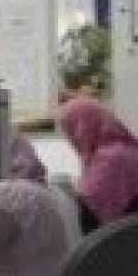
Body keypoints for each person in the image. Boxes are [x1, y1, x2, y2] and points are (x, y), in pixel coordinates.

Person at [57, 94, 138, 232]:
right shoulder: (121, 148)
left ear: (83, 128)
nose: (72, 141)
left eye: (71, 130)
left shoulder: (112, 158)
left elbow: (90, 214)